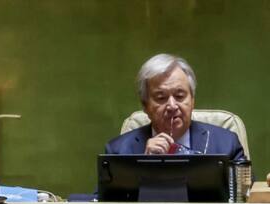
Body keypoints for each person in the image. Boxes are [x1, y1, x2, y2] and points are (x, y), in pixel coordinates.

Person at [104, 53, 246, 160]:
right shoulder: (118, 152)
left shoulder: (227, 145)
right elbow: (107, 199)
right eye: (161, 98)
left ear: (192, 101)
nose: (172, 106)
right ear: (145, 106)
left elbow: (248, 197)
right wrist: (145, 166)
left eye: (179, 96)